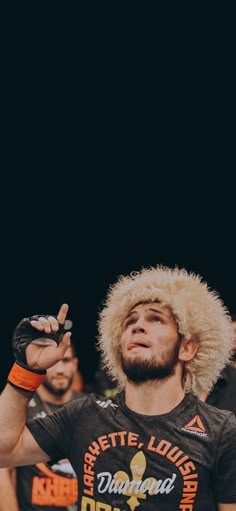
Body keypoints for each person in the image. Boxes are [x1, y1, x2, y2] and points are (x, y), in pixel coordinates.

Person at [0, 266, 236, 510]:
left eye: (156, 318)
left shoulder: (221, 431)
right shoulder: (85, 415)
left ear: (187, 348)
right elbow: (4, 451)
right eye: (130, 321)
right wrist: (26, 370)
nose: (137, 326)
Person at [0, 341, 83, 511]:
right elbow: (3, 471)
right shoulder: (19, 408)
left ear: (75, 364)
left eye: (66, 361)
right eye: (53, 363)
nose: (60, 370)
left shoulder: (87, 407)